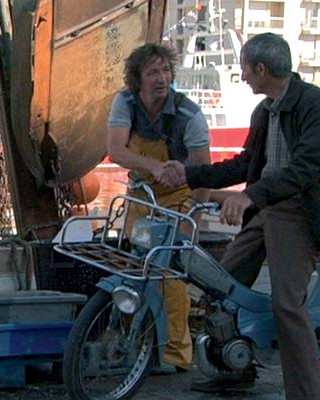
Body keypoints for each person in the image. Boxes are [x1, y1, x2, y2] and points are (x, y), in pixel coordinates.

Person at [160, 33, 320, 399]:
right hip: (271, 207)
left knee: (287, 304)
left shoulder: (316, 106)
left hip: (307, 211)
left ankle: (306, 394)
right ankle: (236, 370)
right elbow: (245, 165)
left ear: (261, 68)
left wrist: (250, 196)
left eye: (245, 70)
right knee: (221, 285)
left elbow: (306, 170)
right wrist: (188, 174)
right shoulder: (265, 110)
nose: (243, 77)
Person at [107, 43, 211, 373]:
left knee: (169, 274)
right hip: (142, 193)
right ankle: (137, 345)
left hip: (180, 194)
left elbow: (204, 172)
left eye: (166, 71)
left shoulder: (189, 115)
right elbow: (116, 150)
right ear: (137, 79)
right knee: (135, 267)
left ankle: (176, 353)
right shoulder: (124, 103)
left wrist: (193, 212)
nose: (161, 78)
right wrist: (153, 167)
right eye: (153, 72)